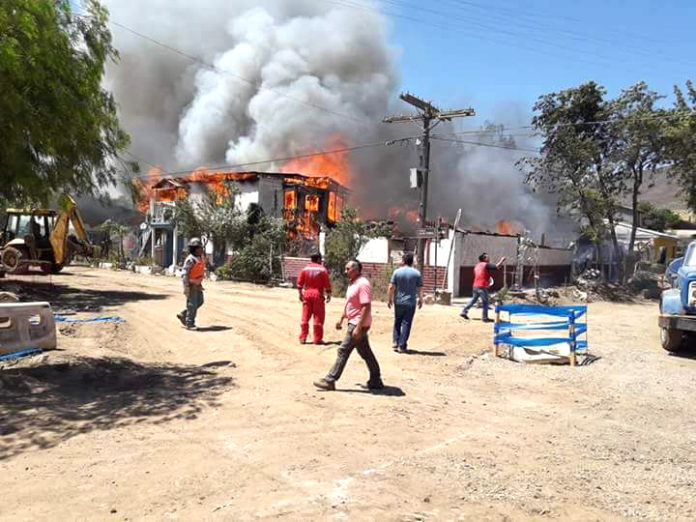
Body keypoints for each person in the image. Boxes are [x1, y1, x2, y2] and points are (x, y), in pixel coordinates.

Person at [313, 260, 383, 391]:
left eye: (348, 269)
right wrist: (342, 318)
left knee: (343, 350)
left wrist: (358, 327)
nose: (345, 272)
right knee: (365, 352)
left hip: (358, 323)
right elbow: (351, 303)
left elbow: (365, 306)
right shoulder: (353, 283)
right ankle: (376, 380)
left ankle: (330, 380)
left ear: (356, 269)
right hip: (354, 321)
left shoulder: (363, 284)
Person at [388, 252, 423, 353]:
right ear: (412, 261)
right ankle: (402, 345)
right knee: (406, 323)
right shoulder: (416, 273)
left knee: (397, 321)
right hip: (410, 303)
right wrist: (420, 299)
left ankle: (395, 341)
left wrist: (389, 298)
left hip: (398, 301)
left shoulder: (397, 272)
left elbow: (391, 287)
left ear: (403, 261)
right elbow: (420, 288)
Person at [460, 252, 506, 322]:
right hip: (482, 286)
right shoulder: (486, 265)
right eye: (487, 257)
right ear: (484, 259)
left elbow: (494, 269)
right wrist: (502, 260)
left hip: (475, 285)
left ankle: (464, 311)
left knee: (473, 300)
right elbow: (496, 266)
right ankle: (485, 317)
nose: (489, 258)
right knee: (485, 302)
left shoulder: (477, 265)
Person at [297, 252, 332, 344]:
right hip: (318, 295)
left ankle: (303, 338)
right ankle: (317, 339)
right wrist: (328, 294)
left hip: (307, 294)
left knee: (305, 316)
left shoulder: (305, 269)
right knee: (318, 317)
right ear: (319, 259)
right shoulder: (322, 270)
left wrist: (300, 294)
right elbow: (327, 284)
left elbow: (299, 284)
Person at [177, 238, 205, 330]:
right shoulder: (190, 259)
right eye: (199, 248)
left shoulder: (199, 258)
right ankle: (190, 323)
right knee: (192, 304)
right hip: (191, 285)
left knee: (200, 301)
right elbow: (185, 274)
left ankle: (184, 314)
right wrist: (186, 288)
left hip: (198, 285)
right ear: (194, 249)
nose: (201, 249)